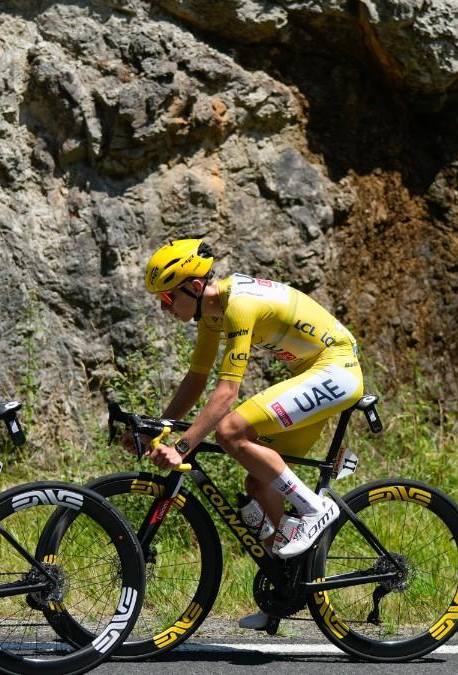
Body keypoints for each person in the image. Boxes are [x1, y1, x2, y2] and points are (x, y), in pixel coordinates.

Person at [136, 238, 363, 629]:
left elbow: (226, 395)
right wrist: (157, 428)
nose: (163, 307)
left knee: (231, 430)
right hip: (314, 373)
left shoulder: (238, 304)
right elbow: (197, 379)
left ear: (192, 286)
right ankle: (284, 590)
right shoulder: (213, 312)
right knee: (259, 485)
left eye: (168, 298)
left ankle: (314, 509)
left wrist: (183, 446)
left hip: (337, 369)